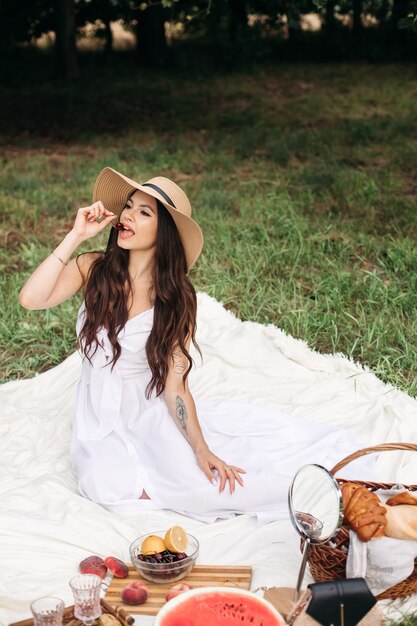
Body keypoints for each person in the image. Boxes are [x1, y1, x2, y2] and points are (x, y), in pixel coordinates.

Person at [19, 167, 371, 524]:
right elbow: (31, 299)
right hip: (99, 421)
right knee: (103, 485)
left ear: (165, 232)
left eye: (144, 212)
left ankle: (324, 489)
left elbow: (175, 386)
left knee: (201, 487)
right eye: (128, 206)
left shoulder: (175, 299)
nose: (127, 216)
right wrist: (76, 235)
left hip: (148, 413)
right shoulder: (93, 268)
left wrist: (201, 449)